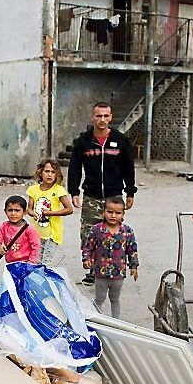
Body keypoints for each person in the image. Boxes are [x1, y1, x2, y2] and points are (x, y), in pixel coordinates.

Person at [66, 102, 137, 286]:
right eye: (99, 116)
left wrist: (130, 191)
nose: (102, 120)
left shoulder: (120, 140)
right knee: (89, 234)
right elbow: (74, 167)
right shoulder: (84, 141)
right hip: (91, 195)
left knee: (112, 233)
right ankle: (92, 270)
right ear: (93, 117)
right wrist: (74, 190)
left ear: (111, 117)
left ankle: (110, 268)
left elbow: (129, 167)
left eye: (106, 116)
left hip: (114, 196)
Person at [81, 196, 138, 318]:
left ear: (123, 214)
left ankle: (116, 322)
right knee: (99, 298)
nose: (113, 215)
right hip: (100, 272)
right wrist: (86, 259)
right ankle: (96, 320)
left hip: (118, 273)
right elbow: (88, 247)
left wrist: (134, 266)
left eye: (117, 213)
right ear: (103, 212)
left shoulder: (127, 231)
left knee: (115, 298)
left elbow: (132, 250)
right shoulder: (97, 230)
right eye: (110, 212)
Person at [26, 159, 73, 268]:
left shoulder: (58, 190)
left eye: (53, 172)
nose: (50, 175)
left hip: (52, 233)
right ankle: (36, 282)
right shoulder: (33, 190)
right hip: (36, 231)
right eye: (47, 171)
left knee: (46, 261)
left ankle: (44, 282)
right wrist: (34, 214)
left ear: (57, 175)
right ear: (40, 173)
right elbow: (29, 209)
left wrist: (50, 213)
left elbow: (69, 209)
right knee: (35, 259)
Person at [0, 195, 41, 264]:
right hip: (11, 263)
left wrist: (31, 263)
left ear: (24, 212)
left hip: (27, 263)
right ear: (5, 211)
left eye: (17, 210)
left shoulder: (28, 229)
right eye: (10, 210)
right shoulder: (4, 227)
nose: (13, 213)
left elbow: (36, 247)